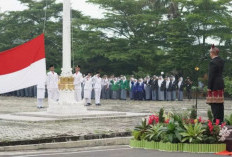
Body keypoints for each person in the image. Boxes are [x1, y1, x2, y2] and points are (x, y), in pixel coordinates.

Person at [207, 44, 225, 123]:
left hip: (214, 85)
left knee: (214, 104)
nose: (209, 54)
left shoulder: (212, 62)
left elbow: (211, 75)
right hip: (220, 84)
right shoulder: (221, 61)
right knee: (220, 104)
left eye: (210, 52)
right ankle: (220, 120)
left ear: (212, 53)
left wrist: (209, 86)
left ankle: (216, 121)